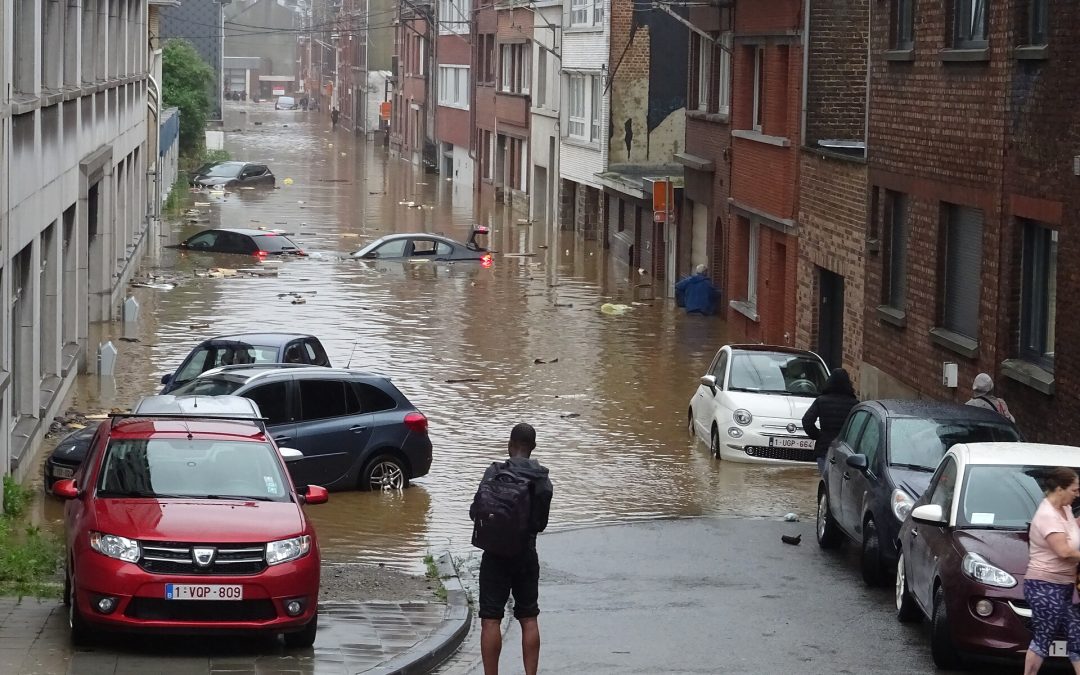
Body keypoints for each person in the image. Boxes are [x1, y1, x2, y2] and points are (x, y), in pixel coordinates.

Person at [471, 423, 553, 675]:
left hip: (494, 555)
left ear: (509, 445)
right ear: (533, 447)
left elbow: (475, 512)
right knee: (528, 618)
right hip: (525, 554)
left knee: (490, 619)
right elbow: (540, 524)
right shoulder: (541, 479)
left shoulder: (493, 472)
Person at [1023, 467, 1080, 675]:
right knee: (1044, 637)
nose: (1077, 494)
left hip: (1065, 587)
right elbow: (1064, 551)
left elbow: (1072, 530)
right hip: (1044, 586)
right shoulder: (1046, 515)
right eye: (1074, 490)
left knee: (1077, 635)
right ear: (1059, 489)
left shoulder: (1063, 509)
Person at [801, 368, 858, 476]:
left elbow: (807, 421)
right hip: (845, 451)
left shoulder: (821, 400)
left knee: (826, 481)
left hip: (824, 448)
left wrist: (818, 436)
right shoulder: (854, 404)